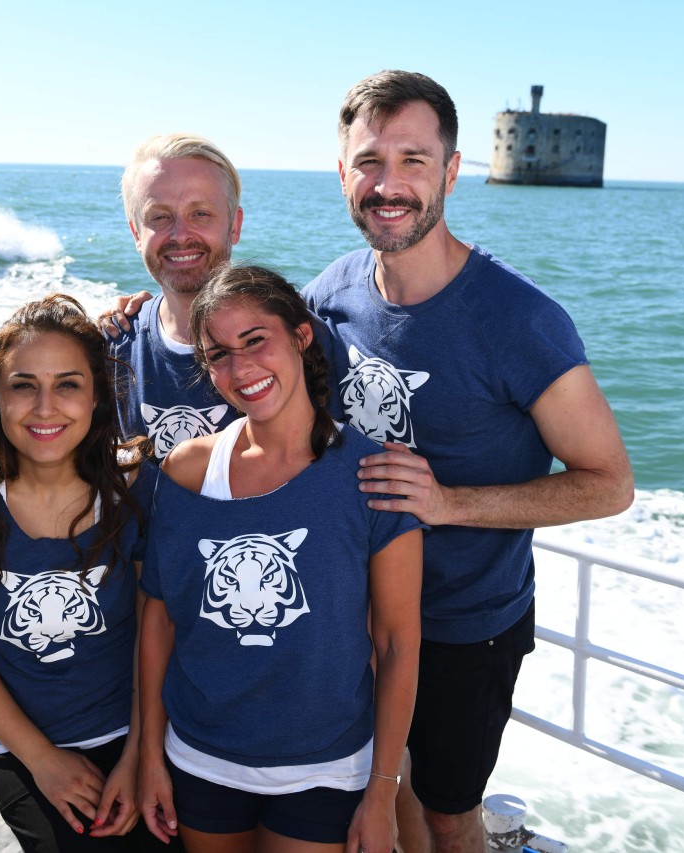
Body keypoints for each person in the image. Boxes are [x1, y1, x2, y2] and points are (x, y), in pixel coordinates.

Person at [302, 70, 635, 853]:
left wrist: (451, 503)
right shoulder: (329, 295)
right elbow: (248, 357)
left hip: (465, 624)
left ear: (453, 172)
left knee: (450, 812)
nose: (389, 185)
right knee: (383, 786)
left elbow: (609, 484)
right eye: (370, 162)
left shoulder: (520, 320)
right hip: (355, 614)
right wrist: (137, 320)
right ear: (341, 173)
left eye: (414, 161)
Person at [137, 265, 424, 853]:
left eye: (255, 340)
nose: (241, 370)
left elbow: (398, 642)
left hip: (328, 767)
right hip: (198, 757)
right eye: (217, 354)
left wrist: (382, 791)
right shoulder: (187, 471)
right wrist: (149, 758)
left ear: (300, 336)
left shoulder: (374, 474)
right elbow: (157, 622)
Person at [0, 295, 167, 852]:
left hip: (139, 733)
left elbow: (157, 632)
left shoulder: (136, 489)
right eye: (24, 385)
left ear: (98, 398)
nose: (45, 407)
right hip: (19, 747)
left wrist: (141, 756)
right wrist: (42, 760)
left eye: (68, 384)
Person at [106, 133, 245, 458]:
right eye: (159, 217)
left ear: (234, 226)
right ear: (136, 234)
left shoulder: (290, 344)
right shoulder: (112, 346)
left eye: (201, 214)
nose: (181, 235)